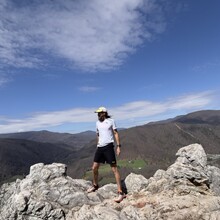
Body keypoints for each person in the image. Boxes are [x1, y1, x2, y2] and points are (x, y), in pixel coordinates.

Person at [87, 106, 126, 203]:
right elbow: (98, 135)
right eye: (97, 113)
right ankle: (95, 185)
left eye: (99, 113)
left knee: (114, 169)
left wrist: (118, 146)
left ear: (104, 113)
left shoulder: (111, 121)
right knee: (94, 167)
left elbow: (116, 133)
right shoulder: (97, 123)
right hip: (100, 147)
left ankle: (120, 192)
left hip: (109, 147)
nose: (98, 115)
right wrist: (97, 145)